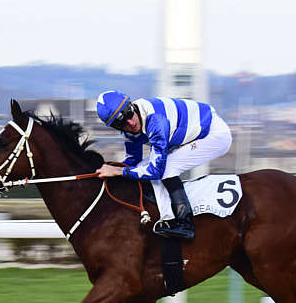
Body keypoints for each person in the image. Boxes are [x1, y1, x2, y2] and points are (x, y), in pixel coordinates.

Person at [95, 90, 232, 241]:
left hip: (213, 135)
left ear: (131, 105)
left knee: (168, 168)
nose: (131, 123)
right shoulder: (129, 130)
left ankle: (184, 223)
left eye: (128, 113)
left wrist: (118, 171)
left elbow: (156, 171)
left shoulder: (156, 120)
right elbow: (133, 160)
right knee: (141, 165)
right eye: (120, 123)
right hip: (193, 134)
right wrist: (106, 171)